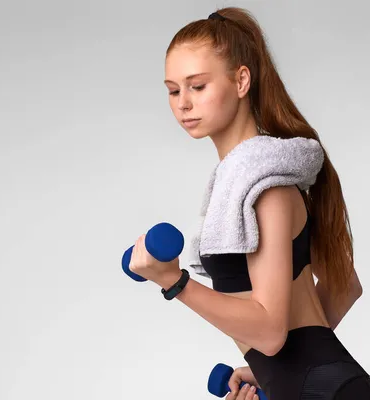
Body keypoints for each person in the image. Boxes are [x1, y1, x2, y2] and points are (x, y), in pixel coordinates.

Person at [128, 7, 369, 400]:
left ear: (241, 81)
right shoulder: (251, 185)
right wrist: (273, 372)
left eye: (197, 86)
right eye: (173, 90)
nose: (183, 104)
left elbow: (271, 332)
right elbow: (346, 288)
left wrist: (174, 281)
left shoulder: (266, 191)